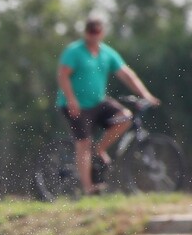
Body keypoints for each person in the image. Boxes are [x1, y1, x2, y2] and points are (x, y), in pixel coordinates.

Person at [56, 15, 161, 195]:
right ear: (85, 33)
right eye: (90, 32)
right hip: (76, 104)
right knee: (83, 143)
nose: (93, 35)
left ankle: (98, 150)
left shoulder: (107, 53)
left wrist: (145, 94)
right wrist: (71, 99)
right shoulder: (74, 52)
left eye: (97, 32)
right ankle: (89, 188)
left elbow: (127, 74)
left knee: (125, 117)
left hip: (97, 102)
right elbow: (63, 75)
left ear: (102, 32)